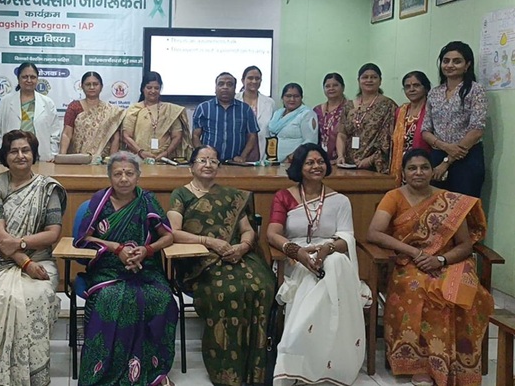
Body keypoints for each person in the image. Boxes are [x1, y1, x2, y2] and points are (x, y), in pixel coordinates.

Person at [367, 149, 492, 386]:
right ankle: (422, 364)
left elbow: (465, 245)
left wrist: (441, 260)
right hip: (410, 262)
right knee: (417, 288)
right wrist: (415, 253)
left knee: (460, 292)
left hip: (449, 261)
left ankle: (457, 362)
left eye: (424, 167)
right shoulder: (394, 197)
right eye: (412, 168)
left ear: (432, 171)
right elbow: (374, 232)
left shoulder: (450, 201)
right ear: (403, 173)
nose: (418, 172)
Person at [167, 145, 276, 386]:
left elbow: (247, 230)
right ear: (191, 167)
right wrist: (209, 242)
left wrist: (243, 247)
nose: (208, 165)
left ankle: (256, 369)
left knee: (262, 285)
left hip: (237, 255)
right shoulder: (181, 194)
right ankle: (226, 371)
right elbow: (174, 232)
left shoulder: (232, 196)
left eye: (213, 161)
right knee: (227, 291)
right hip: (200, 260)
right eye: (202, 160)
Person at [0, 129, 67, 386]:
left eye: (26, 150)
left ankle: (32, 375)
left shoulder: (47, 188)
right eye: (14, 151)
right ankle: (1, 374)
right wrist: (25, 262)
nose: (20, 155)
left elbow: (53, 233)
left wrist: (22, 246)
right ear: (5, 155)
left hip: (41, 259)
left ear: (34, 154)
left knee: (37, 296)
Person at [267, 143, 369, 386]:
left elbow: (346, 238)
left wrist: (326, 250)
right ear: (299, 167)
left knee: (335, 264)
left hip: (330, 253)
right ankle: (296, 352)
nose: (316, 166)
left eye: (321, 161)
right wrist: (298, 253)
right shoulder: (284, 196)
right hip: (295, 258)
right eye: (310, 162)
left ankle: (325, 362)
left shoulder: (340, 200)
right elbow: (272, 234)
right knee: (319, 274)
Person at [74, 151, 178, 386]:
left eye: (129, 173)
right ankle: (106, 372)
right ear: (109, 177)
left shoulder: (147, 200)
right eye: (118, 174)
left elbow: (168, 236)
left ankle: (152, 370)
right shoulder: (99, 201)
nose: (123, 179)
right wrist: (116, 248)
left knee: (162, 298)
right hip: (108, 270)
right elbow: (84, 238)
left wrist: (147, 250)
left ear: (138, 176)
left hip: (145, 269)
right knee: (111, 298)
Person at [421, 41, 488, 198]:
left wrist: (448, 160)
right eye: (446, 61)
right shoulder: (434, 93)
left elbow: (477, 130)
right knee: (436, 205)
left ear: (467, 65)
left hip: (467, 157)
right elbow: (425, 130)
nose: (450, 65)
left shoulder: (476, 90)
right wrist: (444, 146)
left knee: (463, 206)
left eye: (457, 61)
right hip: (437, 155)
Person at [0, 62, 61, 162]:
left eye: (32, 77)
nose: (29, 80)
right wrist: (1, 152)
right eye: (25, 77)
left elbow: (54, 133)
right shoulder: (6, 101)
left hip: (41, 156)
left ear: (37, 79)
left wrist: (53, 154)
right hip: (13, 156)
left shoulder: (47, 103)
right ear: (18, 79)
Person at [336, 63, 397, 173]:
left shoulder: (388, 105)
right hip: (348, 165)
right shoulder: (349, 106)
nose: (369, 80)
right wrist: (340, 156)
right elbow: (341, 134)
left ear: (380, 81)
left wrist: (370, 160)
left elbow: (389, 140)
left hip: (374, 167)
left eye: (373, 77)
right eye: (365, 77)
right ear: (358, 80)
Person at [122, 71, 191, 161]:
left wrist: (166, 153)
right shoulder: (134, 110)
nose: (153, 91)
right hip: (138, 159)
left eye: (157, 88)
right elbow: (126, 136)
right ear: (143, 88)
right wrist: (141, 152)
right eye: (149, 88)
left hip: (165, 159)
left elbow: (177, 135)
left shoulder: (170, 110)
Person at [193, 72, 259, 162]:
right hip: (210, 163)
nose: (225, 87)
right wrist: (203, 156)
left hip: (236, 162)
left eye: (229, 84)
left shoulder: (245, 109)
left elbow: (252, 136)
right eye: (221, 84)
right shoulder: (203, 108)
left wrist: (243, 156)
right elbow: (195, 135)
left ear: (235, 89)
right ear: (215, 88)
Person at [59, 71, 124, 158]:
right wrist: (61, 156)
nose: (92, 87)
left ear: (101, 87)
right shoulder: (74, 107)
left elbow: (115, 138)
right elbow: (67, 134)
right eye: (88, 84)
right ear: (82, 86)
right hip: (77, 159)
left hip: (101, 161)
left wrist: (112, 161)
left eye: (95, 84)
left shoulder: (111, 111)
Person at [390, 71, 432, 186]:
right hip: (402, 166)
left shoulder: (431, 109)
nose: (411, 89)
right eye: (407, 86)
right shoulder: (401, 111)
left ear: (426, 88)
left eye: (416, 85)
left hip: (423, 165)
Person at [267, 83, 318, 162]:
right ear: (282, 98)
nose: (292, 99)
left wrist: (291, 158)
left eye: (296, 96)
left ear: (301, 98)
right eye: (288, 96)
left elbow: (310, 141)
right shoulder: (277, 113)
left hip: (294, 162)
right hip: (273, 161)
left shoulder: (306, 114)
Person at [237, 66, 275, 159]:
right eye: (250, 78)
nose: (254, 81)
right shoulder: (234, 100)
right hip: (238, 150)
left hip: (262, 150)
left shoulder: (269, 102)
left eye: (257, 78)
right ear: (243, 80)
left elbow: (272, 130)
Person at [313, 73, 347, 162]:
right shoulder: (317, 110)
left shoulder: (350, 108)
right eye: (327, 86)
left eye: (335, 85)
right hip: (320, 161)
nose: (331, 88)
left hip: (343, 159)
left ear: (343, 87)